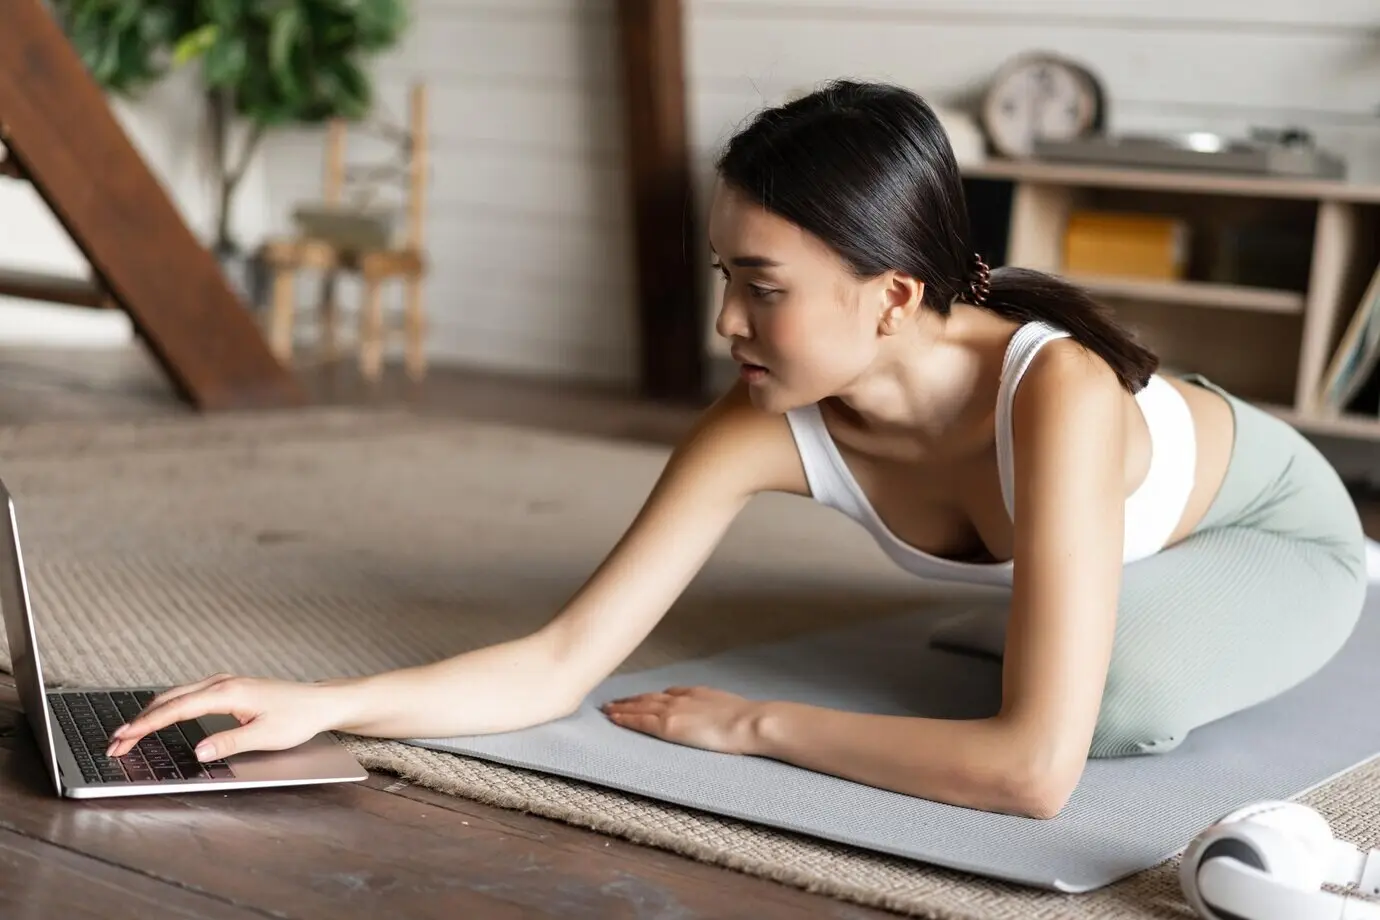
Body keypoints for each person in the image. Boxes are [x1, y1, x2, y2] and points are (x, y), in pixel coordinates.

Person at [106, 80, 1367, 819]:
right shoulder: (761, 418)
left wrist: (756, 723)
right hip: (1109, 520)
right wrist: (321, 704)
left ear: (892, 294)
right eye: (725, 276)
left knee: (1115, 703)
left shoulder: (1060, 394)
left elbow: (1031, 773)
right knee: (1047, 669)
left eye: (761, 286)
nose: (725, 323)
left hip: (1279, 528)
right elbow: (559, 660)